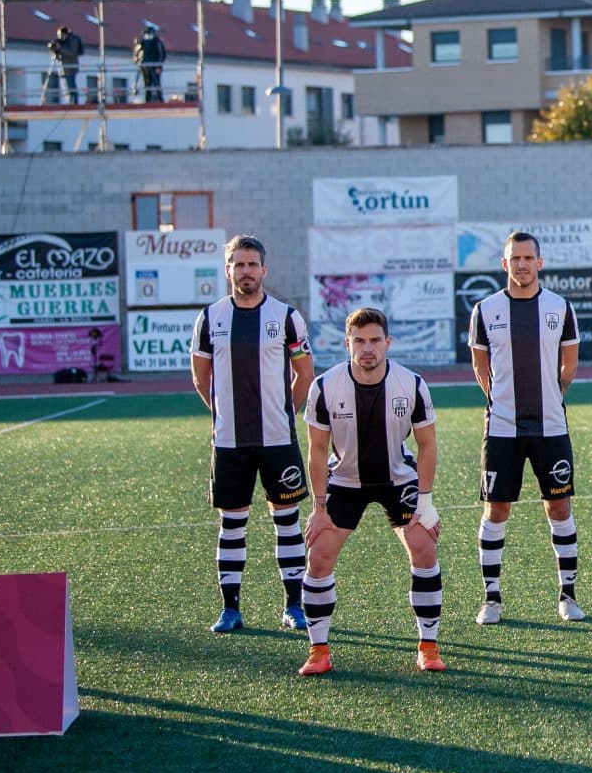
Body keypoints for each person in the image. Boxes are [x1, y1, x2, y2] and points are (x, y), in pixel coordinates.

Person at [297, 308, 444, 676]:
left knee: (424, 547)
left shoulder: (411, 384)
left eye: (375, 340)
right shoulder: (325, 386)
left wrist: (425, 502)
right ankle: (319, 650)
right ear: (347, 343)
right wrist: (318, 507)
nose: (368, 349)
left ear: (388, 343)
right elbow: (316, 451)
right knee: (318, 555)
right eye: (359, 341)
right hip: (344, 482)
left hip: (398, 480)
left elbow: (427, 445)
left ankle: (428, 646)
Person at [190, 235, 313, 634]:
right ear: (228, 270)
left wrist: (283, 412)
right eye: (238, 265)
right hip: (229, 441)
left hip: (278, 439)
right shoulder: (210, 319)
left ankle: (294, 605)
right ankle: (230, 609)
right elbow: (201, 377)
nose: (245, 271)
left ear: (264, 270)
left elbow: (305, 374)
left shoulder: (286, 317)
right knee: (232, 522)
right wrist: (225, 413)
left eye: (252, 264)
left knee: (287, 519)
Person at [469, 231, 584, 625]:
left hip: (551, 427)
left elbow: (569, 362)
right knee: (497, 508)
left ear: (540, 262)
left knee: (559, 506)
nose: (521, 264)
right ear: (505, 264)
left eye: (527, 258)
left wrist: (555, 392)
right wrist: (500, 399)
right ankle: (491, 599)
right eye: (514, 258)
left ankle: (567, 596)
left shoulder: (560, 307)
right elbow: (481, 368)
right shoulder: (484, 310)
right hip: (501, 429)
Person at [47, 24, 84, 103]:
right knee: (67, 87)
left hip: (70, 67)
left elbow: (72, 53)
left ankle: (73, 102)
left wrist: (60, 49)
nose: (60, 38)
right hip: (64, 67)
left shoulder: (72, 40)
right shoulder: (65, 42)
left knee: (71, 86)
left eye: (60, 35)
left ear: (64, 33)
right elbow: (57, 56)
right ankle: (70, 101)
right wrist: (54, 50)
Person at [134, 26, 166, 102]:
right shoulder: (142, 43)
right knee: (147, 84)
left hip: (154, 66)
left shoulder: (157, 42)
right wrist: (138, 62)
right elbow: (137, 53)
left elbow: (161, 54)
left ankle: (160, 100)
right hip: (145, 67)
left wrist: (158, 65)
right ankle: (147, 100)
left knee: (156, 83)